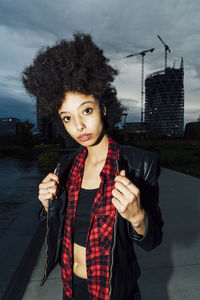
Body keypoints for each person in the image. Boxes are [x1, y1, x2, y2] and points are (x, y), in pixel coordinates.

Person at [22, 33, 163, 300]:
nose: (79, 126)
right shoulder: (65, 166)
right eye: (67, 117)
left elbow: (153, 240)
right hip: (70, 289)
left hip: (114, 292)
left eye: (86, 110)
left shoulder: (139, 164)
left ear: (104, 108)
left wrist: (137, 216)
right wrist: (47, 205)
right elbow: (58, 222)